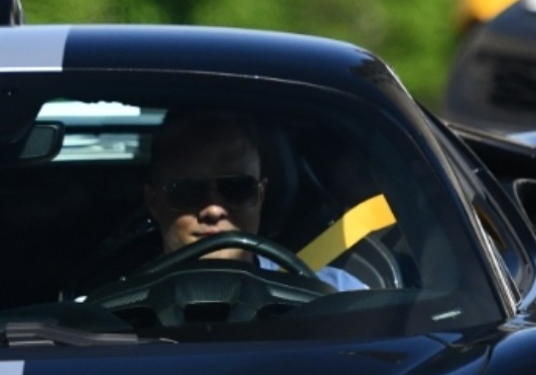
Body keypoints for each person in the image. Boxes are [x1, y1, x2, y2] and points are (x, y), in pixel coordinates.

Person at [139, 112, 366, 290]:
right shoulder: (112, 315)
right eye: (188, 190)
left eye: (237, 189)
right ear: (154, 202)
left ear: (261, 195)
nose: (214, 210)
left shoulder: (338, 297)